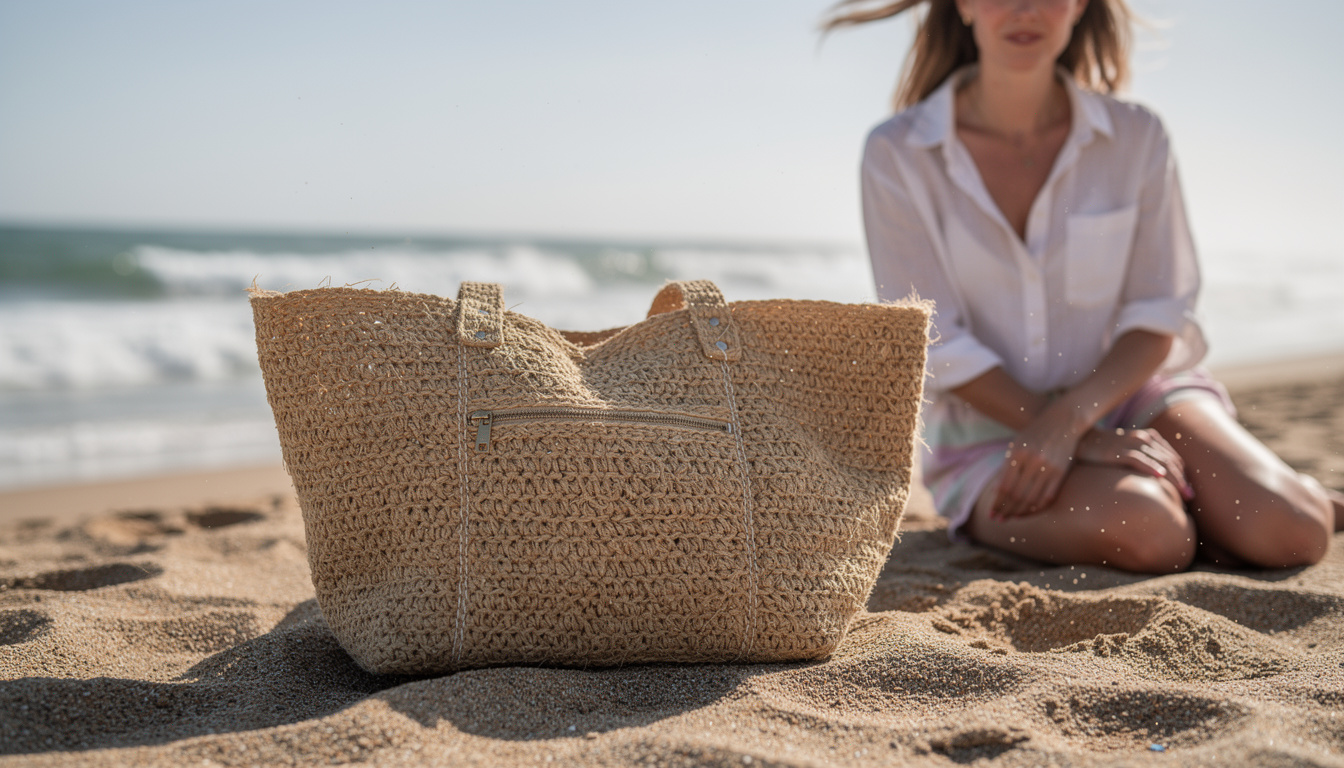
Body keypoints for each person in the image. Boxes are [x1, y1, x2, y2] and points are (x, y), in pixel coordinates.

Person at [825, 0, 1343, 573]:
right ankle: (1206, 511)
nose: (1025, 9)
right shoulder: (898, 153)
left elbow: (1159, 312)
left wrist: (1075, 423)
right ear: (964, 5)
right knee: (1153, 533)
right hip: (988, 433)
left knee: (1293, 532)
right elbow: (934, 338)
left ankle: (1267, 500)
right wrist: (1070, 435)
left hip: (1135, 393)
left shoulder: (1135, 136)